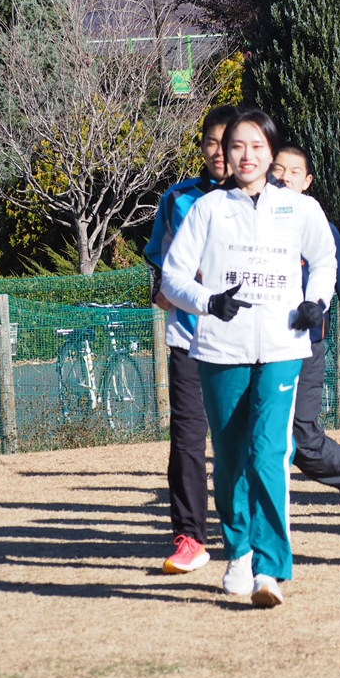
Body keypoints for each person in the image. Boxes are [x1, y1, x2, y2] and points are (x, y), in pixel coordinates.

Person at [161, 109, 337, 607]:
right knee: (231, 457)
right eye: (237, 146)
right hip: (220, 349)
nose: (245, 155)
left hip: (283, 347)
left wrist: (316, 302)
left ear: (271, 152)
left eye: (257, 146)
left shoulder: (299, 209)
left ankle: (270, 568)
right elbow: (173, 276)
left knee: (268, 453)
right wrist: (208, 302)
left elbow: (325, 261)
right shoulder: (208, 209)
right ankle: (237, 553)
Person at [144, 103, 237, 575]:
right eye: (211, 142)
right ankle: (189, 536)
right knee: (186, 440)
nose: (219, 152)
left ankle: (245, 529)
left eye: (229, 142)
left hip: (246, 344)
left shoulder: (267, 201)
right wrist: (183, 293)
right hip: (188, 341)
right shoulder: (177, 199)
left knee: (238, 443)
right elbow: (159, 279)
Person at [270, 144, 340, 513]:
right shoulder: (252, 221)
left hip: (305, 348)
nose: (283, 177)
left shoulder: (318, 225)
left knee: (302, 437)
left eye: (293, 171)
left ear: (308, 181)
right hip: (258, 346)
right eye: (277, 168)